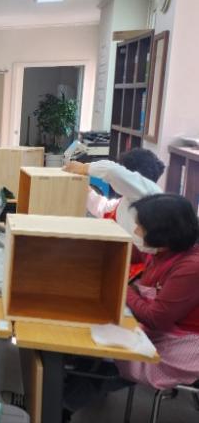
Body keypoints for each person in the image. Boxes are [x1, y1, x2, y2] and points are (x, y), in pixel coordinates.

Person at [63, 194, 199, 417]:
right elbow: (122, 252)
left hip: (175, 350)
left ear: (162, 233)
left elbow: (156, 318)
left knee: (96, 362)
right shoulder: (162, 250)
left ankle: (59, 406)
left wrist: (121, 286)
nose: (136, 231)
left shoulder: (190, 268)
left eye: (141, 228)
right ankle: (58, 396)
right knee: (86, 348)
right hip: (154, 332)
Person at [64, 148, 164, 278]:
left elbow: (111, 170)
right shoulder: (128, 198)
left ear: (131, 175)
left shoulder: (150, 194)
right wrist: (86, 190)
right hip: (126, 260)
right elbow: (104, 208)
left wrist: (84, 167)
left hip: (144, 271)